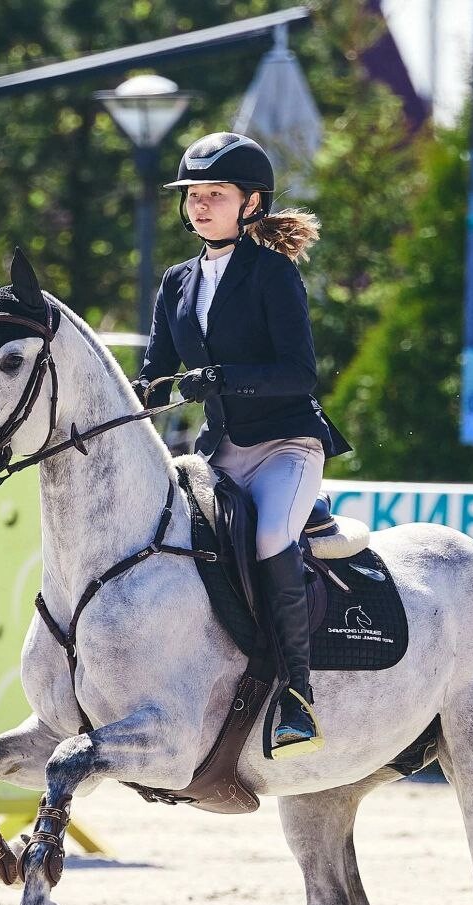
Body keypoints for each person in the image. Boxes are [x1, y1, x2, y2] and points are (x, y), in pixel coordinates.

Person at [133, 132, 351, 758]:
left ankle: (298, 695)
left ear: (251, 204)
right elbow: (156, 368)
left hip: (286, 445)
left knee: (268, 540)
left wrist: (223, 379)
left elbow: (299, 373)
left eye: (214, 195)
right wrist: (134, 395)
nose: (199, 207)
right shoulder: (176, 282)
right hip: (220, 449)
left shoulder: (271, 273)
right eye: (194, 196)